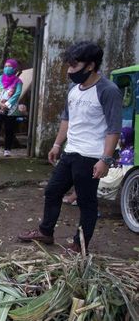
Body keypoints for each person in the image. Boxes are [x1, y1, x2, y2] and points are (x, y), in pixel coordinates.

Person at [18, 41, 122, 254]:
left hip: (91, 156)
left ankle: (79, 244)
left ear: (90, 66)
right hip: (70, 152)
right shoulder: (74, 89)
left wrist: (105, 159)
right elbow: (67, 119)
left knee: (86, 202)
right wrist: (57, 144)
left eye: (74, 66)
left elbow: (114, 129)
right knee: (53, 190)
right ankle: (46, 232)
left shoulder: (108, 91)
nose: (69, 71)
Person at [62, 126, 134, 205]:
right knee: (89, 174)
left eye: (120, 138)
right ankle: (79, 197)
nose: (118, 140)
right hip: (115, 171)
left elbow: (126, 169)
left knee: (91, 177)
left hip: (117, 175)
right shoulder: (125, 149)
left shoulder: (128, 152)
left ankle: (75, 198)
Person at [0, 59, 23, 157]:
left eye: (9, 66)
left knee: (9, 130)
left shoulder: (18, 81)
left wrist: (7, 104)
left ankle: (7, 149)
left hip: (11, 110)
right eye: (5, 66)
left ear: (14, 68)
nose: (7, 68)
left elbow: (17, 94)